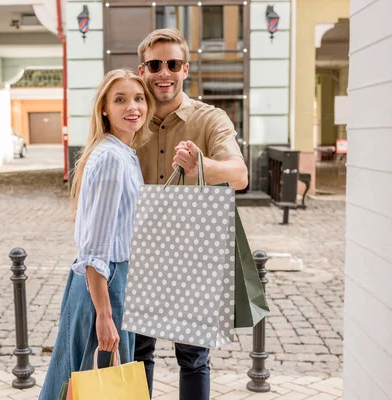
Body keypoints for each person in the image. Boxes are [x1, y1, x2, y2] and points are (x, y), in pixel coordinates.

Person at [135, 28, 249, 400]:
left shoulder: (209, 119)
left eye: (172, 63)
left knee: (194, 357)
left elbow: (240, 176)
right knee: (136, 354)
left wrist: (204, 166)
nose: (163, 72)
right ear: (143, 70)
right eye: (155, 64)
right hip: (139, 252)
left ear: (185, 69)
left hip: (191, 253)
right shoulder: (129, 119)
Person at [38, 68, 155, 400]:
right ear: (104, 108)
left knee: (82, 378)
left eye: (138, 98)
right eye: (120, 100)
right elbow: (95, 248)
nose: (133, 107)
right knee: (92, 381)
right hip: (105, 281)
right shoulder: (110, 159)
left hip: (111, 279)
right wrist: (104, 314)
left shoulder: (122, 153)